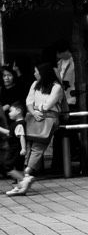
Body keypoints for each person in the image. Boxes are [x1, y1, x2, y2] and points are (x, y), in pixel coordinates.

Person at [6, 59, 65, 196]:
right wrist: (33, 112)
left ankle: (25, 177)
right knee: (29, 145)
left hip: (48, 119)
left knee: (37, 147)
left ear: (43, 73)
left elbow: (48, 104)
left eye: (36, 72)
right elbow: (28, 101)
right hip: (33, 117)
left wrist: (37, 109)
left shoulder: (56, 87)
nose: (34, 74)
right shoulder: (35, 84)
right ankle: (24, 179)